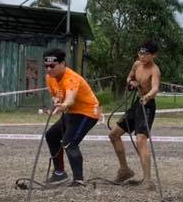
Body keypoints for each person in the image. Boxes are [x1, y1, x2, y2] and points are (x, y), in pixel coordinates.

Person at [43, 49, 100, 187]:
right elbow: (55, 95)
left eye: (52, 66)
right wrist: (57, 102)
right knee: (51, 135)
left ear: (62, 64)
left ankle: (78, 180)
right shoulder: (49, 78)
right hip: (71, 112)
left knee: (69, 143)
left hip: (87, 112)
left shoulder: (71, 78)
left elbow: (70, 99)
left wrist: (64, 105)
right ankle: (59, 173)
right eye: (46, 66)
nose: (49, 69)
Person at [110, 41, 161, 189]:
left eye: (146, 54)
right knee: (114, 134)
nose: (142, 56)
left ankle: (148, 181)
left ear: (153, 55)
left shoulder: (155, 70)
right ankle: (124, 170)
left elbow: (156, 88)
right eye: (140, 53)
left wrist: (148, 96)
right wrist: (131, 83)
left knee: (141, 140)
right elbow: (129, 78)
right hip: (136, 104)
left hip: (147, 105)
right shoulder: (136, 65)